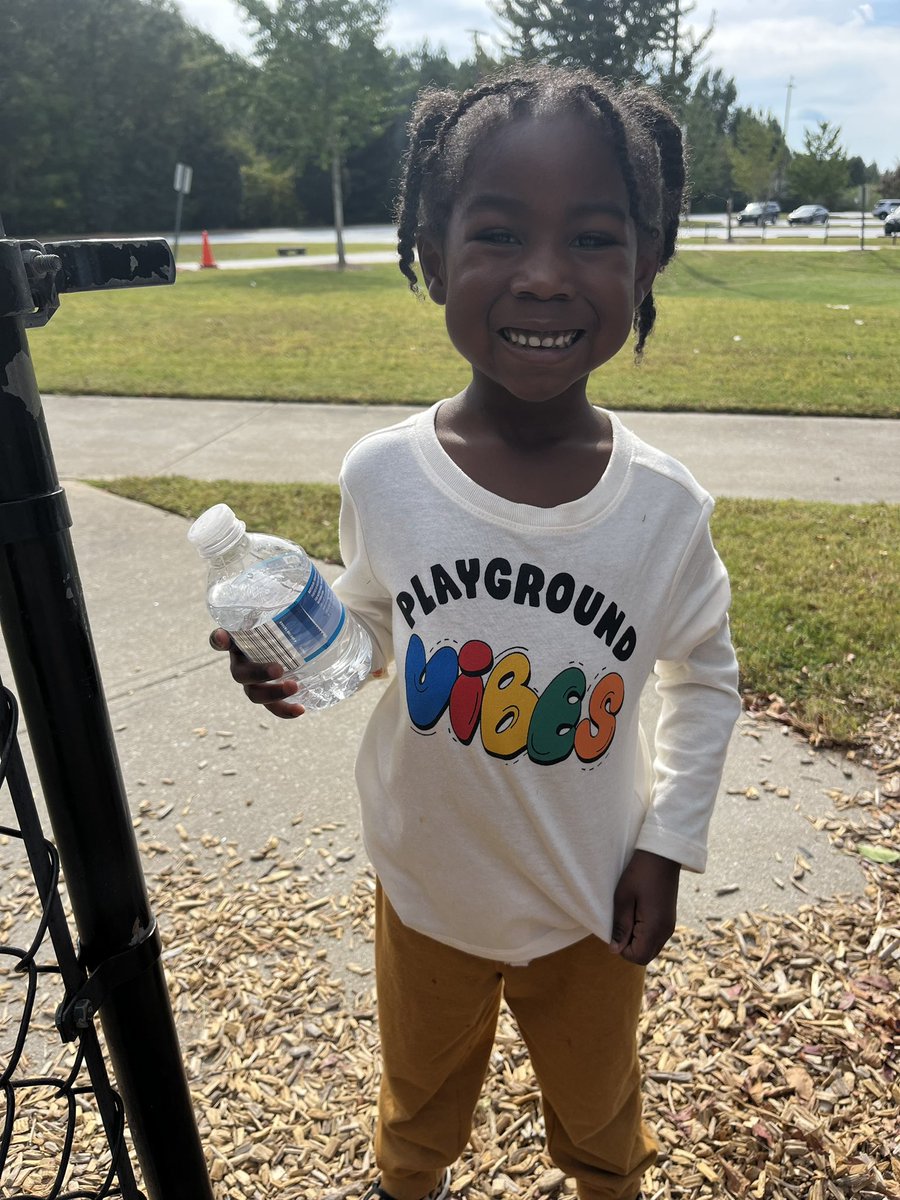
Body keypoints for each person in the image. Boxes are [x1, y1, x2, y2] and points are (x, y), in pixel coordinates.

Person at [211, 64, 741, 1200]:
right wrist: (297, 659)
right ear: (433, 252)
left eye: (594, 237)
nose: (545, 276)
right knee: (417, 1120)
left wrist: (669, 840)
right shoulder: (385, 474)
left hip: (591, 901)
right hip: (428, 888)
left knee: (601, 1120)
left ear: (646, 262)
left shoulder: (665, 507)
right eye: (498, 232)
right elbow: (367, 618)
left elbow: (707, 675)